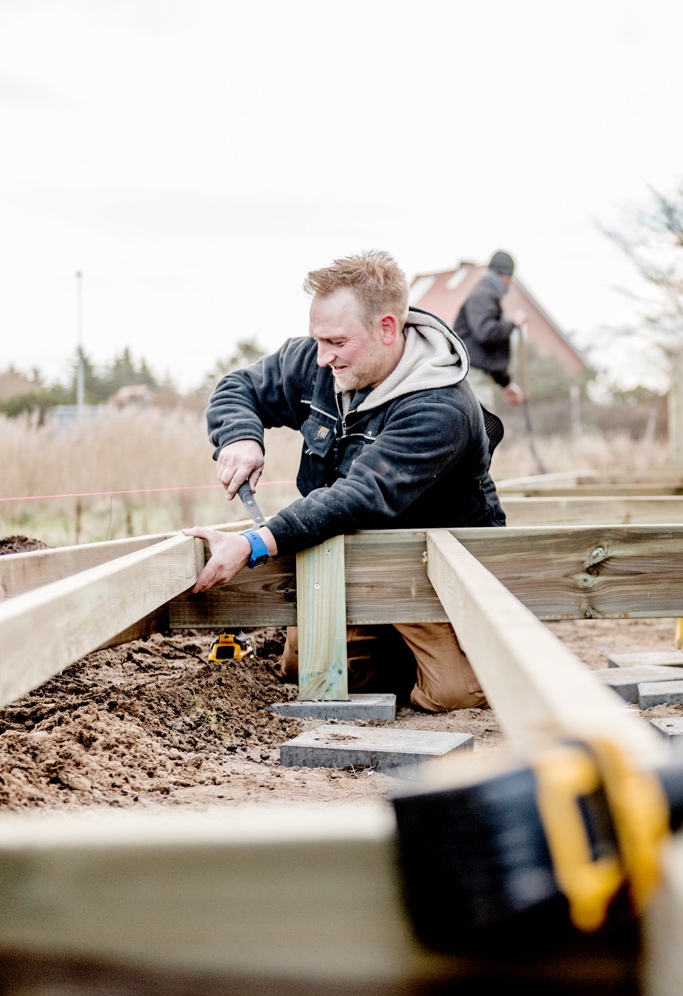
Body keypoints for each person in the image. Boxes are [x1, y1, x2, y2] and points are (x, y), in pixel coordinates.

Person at [186, 250, 504, 712]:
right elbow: (239, 387)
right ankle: (387, 651)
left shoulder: (440, 408)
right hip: (346, 555)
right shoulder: (319, 362)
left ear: (388, 328)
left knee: (456, 694)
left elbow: (360, 496)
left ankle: (442, 650)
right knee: (307, 669)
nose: (322, 357)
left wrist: (255, 543)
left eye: (336, 341)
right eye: (318, 339)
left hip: (430, 572)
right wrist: (239, 437)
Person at [453, 250, 526, 406]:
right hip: (472, 377)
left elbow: (486, 350)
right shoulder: (483, 295)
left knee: (484, 427)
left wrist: (505, 382)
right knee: (483, 427)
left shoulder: (485, 294)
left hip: (473, 375)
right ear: (507, 276)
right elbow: (486, 332)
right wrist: (512, 323)